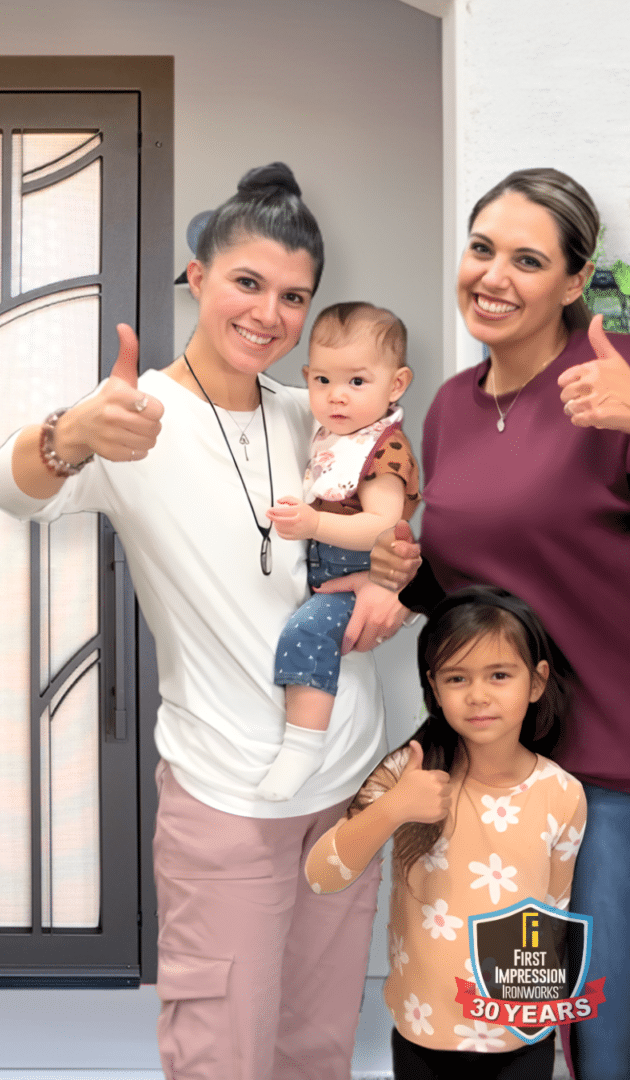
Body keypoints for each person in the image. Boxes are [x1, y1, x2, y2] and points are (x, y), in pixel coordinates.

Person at [0, 163, 390, 1080]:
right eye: (247, 282)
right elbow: (7, 490)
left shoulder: (318, 417)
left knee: (317, 1045)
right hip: (225, 795)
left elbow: (385, 538)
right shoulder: (136, 418)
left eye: (295, 296)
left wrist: (388, 580)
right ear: (198, 275)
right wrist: (69, 435)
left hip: (345, 782)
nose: (269, 314)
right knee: (222, 1052)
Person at [353, 167, 630, 1080]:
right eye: (482, 249)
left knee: (609, 1036)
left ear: (574, 277)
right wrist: (409, 575)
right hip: (506, 779)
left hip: (613, 773)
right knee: (514, 1034)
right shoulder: (449, 408)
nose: (494, 277)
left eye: (527, 258)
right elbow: (488, 591)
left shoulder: (616, 380)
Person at [306, 586, 586, 1080]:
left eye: (499, 675)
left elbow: (553, 915)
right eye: (457, 678)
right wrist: (393, 808)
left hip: (519, 1037)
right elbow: (321, 875)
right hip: (423, 1031)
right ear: (434, 688)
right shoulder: (407, 772)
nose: (478, 695)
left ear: (536, 681)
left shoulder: (562, 793)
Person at [257, 302, 419, 801]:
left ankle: (303, 747)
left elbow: (384, 523)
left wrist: (313, 522)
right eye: (323, 381)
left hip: (361, 574)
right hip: (324, 567)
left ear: (396, 386)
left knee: (306, 632)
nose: (336, 397)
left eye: (356, 382)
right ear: (306, 377)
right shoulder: (330, 435)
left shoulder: (381, 450)